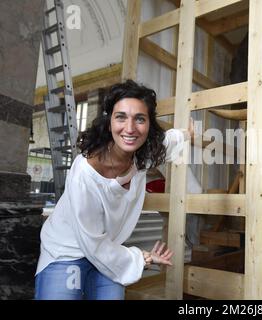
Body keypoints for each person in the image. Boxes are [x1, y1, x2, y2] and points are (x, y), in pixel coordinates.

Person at [34, 80, 193, 300]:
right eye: (121, 117)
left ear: (149, 125)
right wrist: (142, 258)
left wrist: (187, 134)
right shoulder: (85, 174)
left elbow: (169, 141)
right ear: (109, 122)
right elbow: (93, 245)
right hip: (66, 251)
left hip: (107, 252)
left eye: (140, 119)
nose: (130, 129)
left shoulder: (141, 156)